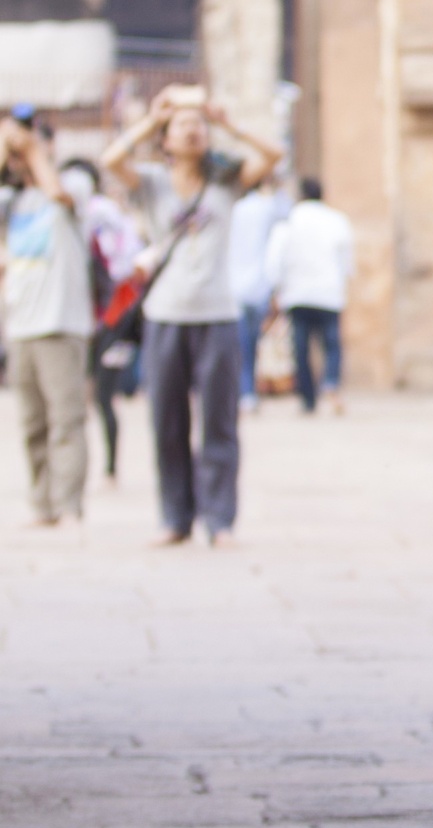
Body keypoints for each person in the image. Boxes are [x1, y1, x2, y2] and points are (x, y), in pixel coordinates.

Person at [102, 88, 284, 547]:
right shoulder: (150, 183)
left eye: (197, 123)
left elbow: (274, 154)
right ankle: (175, 517)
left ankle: (220, 520)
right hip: (165, 316)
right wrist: (150, 118)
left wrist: (229, 124)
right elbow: (110, 160)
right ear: (166, 139)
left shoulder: (227, 181)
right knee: (167, 420)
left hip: (219, 315)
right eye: (182, 124)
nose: (192, 129)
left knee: (219, 420)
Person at [1, 117, 94, 526]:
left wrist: (32, 146)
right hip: (20, 325)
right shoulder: (11, 201)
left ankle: (68, 503)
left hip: (60, 323)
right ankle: (42, 504)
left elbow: (56, 191)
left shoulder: (74, 184)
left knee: (66, 419)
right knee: (31, 423)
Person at [60, 160, 143, 481]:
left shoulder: (94, 213)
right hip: (109, 314)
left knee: (98, 397)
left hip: (106, 315)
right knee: (103, 396)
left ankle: (106, 467)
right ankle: (107, 467)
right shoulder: (107, 214)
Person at [265, 176, 354, 415]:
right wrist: (344, 283)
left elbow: (275, 260)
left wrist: (276, 290)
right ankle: (331, 382)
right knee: (332, 344)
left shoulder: (289, 222)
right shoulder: (337, 220)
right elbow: (346, 260)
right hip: (329, 292)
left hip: (297, 293)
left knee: (301, 348)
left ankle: (308, 399)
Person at [229, 175, 289, 412]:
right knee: (251, 344)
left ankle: (245, 391)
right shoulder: (267, 208)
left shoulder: (234, 209)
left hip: (236, 286)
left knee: (241, 345)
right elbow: (286, 213)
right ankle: (248, 391)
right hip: (259, 286)